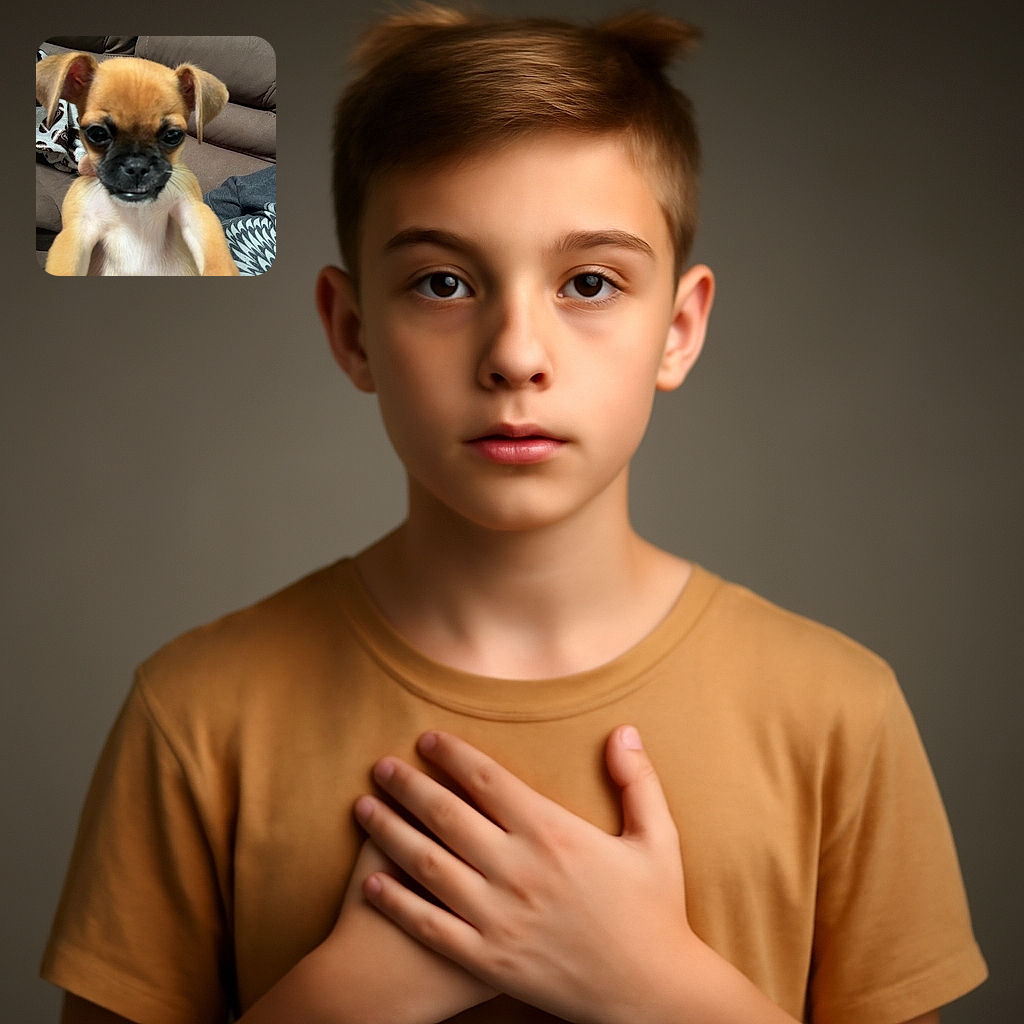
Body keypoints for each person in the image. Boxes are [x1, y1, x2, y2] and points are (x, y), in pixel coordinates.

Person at [42, 6, 988, 1023]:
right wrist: (344, 1000)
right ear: (351, 329)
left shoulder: (839, 717)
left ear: (678, 329)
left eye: (588, 281)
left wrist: (658, 987)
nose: (515, 353)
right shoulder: (194, 718)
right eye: (443, 282)